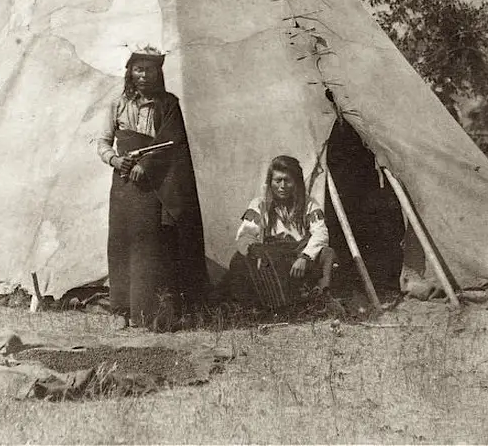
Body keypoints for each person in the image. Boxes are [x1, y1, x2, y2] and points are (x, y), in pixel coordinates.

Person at [97, 47, 207, 330]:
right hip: (123, 185)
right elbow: (103, 141)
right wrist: (115, 160)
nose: (144, 75)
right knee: (122, 243)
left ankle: (146, 313)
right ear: (130, 72)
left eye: (150, 69)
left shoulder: (168, 104)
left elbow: (173, 142)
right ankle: (120, 309)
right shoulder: (118, 104)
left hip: (154, 187)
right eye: (139, 69)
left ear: (159, 73)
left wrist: (146, 165)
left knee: (152, 247)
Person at [228, 154, 336, 309]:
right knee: (239, 258)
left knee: (327, 253)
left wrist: (305, 257)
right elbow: (245, 234)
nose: (282, 186)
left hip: (298, 257)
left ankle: (320, 298)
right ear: (270, 182)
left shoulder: (309, 204)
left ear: (296, 182)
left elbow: (320, 233)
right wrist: (255, 249)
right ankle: (256, 307)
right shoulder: (260, 204)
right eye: (278, 180)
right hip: (272, 256)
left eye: (288, 180)